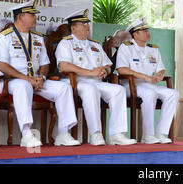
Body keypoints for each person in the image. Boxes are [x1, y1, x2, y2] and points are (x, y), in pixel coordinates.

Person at [0, 0, 80, 147]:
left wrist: (42, 77)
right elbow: (1, 64)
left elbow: (45, 64)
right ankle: (26, 134)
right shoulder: (4, 36)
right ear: (20, 17)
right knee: (23, 86)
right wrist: (27, 79)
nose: (35, 18)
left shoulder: (38, 38)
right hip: (11, 82)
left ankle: (64, 134)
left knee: (64, 88)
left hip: (36, 81)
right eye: (32, 15)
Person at [55, 9, 136, 146]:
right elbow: (64, 66)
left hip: (97, 81)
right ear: (73, 27)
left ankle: (117, 134)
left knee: (118, 90)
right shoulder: (66, 43)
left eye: (87, 23)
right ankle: (96, 133)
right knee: (90, 90)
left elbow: (108, 66)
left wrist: (105, 71)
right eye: (83, 24)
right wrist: (89, 72)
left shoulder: (95, 44)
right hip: (77, 82)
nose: (87, 26)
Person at [116, 17, 179, 144]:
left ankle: (161, 133)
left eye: (147, 30)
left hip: (150, 85)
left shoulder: (153, 49)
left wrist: (159, 76)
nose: (148, 33)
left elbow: (161, 69)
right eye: (144, 31)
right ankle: (148, 135)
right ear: (135, 34)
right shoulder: (126, 47)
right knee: (149, 94)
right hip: (131, 85)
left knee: (173, 94)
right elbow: (121, 69)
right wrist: (144, 76)